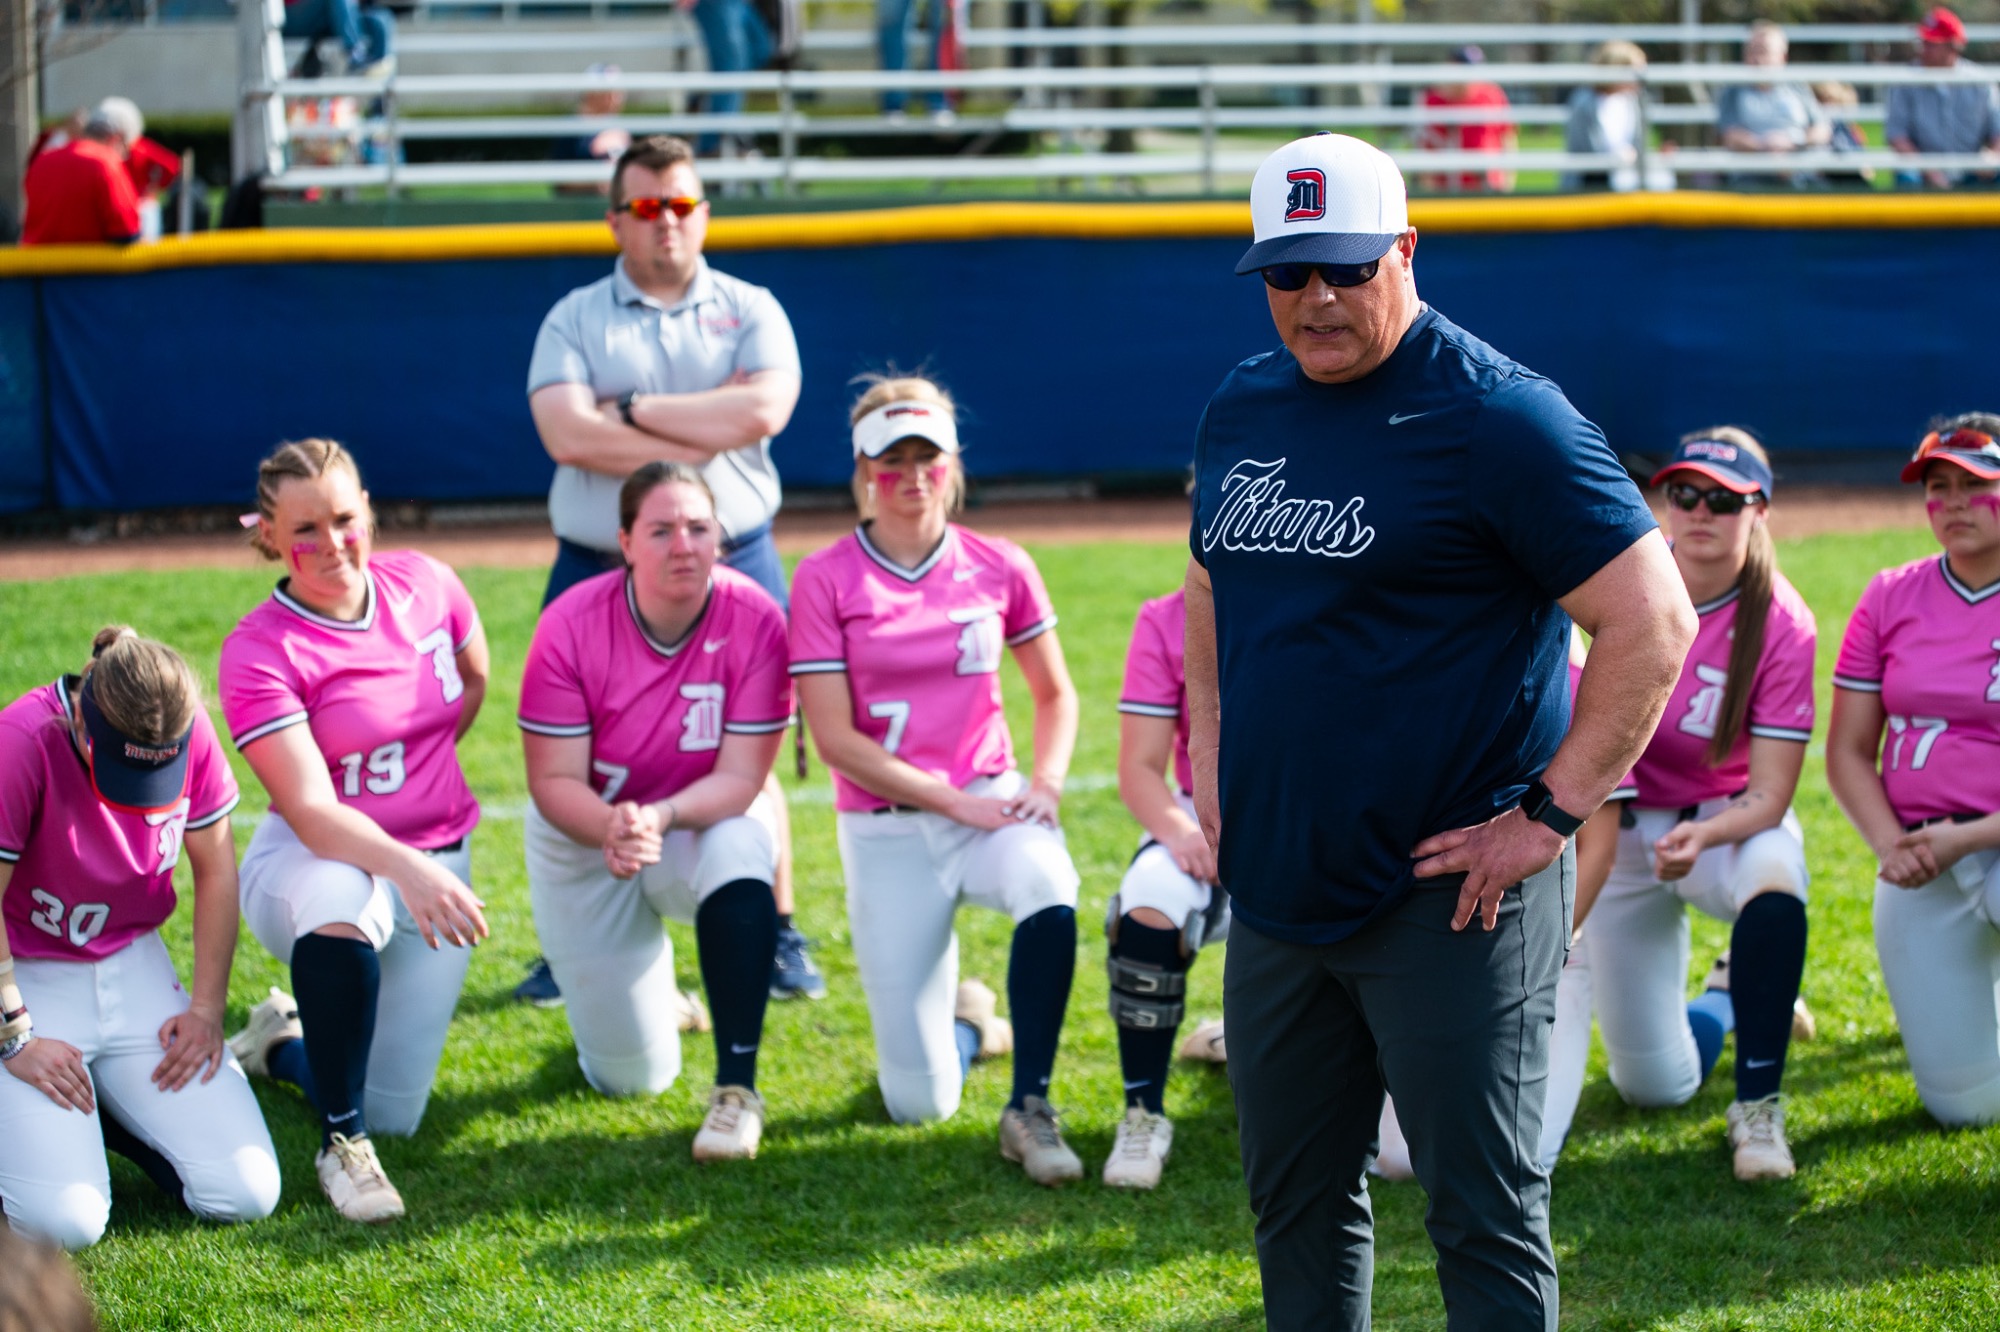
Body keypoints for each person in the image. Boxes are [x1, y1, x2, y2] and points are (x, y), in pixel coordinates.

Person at [1192, 133, 1694, 1329]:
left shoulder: (1502, 418)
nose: (1316, 298)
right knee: (1295, 1204)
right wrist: (1212, 760)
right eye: (1286, 272)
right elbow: (1211, 590)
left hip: (1449, 896)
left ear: (1404, 250)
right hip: (1276, 886)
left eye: (1347, 267)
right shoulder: (1240, 401)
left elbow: (1651, 623)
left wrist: (1547, 817)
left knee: (1480, 1212)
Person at [525, 133, 819, 1008]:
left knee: (749, 750)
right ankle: (574, 936)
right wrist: (708, 423)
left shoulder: (751, 305)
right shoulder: (574, 316)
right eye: (648, 206)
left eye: (683, 204)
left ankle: (776, 926)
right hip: (592, 560)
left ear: (704, 212)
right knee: (581, 750)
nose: (667, 222)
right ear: (616, 218)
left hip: (740, 554)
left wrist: (637, 410)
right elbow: (567, 435)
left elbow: (766, 407)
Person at [791, 377, 1086, 1185]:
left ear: (952, 465)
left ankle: (1030, 1105)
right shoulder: (823, 577)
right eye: (892, 459)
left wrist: (1047, 784)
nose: (911, 474)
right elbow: (834, 737)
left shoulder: (1000, 563)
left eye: (927, 456)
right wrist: (952, 799)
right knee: (916, 1101)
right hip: (888, 826)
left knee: (1051, 886)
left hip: (990, 795)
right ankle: (969, 1022)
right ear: (862, 470)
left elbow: (1056, 693)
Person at [220, 438, 491, 1225]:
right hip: (313, 864)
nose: (331, 543)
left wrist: (420, 791)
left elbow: (472, 683)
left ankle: (280, 1043)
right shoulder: (260, 647)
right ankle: (342, 1146)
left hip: (431, 861)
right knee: (345, 892)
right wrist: (413, 863)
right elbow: (310, 810)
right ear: (268, 534)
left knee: (396, 1107)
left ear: (368, 509)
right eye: (304, 529)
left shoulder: (428, 583)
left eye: (344, 518)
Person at [1563, 430, 1819, 1181]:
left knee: (1776, 884)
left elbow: (1772, 795)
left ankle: (1759, 1108)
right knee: (1654, 1086)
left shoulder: (1782, 620)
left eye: (1724, 498)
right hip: (1621, 825)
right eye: (1685, 493)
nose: (1700, 511)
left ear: (1760, 509)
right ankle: (1726, 996)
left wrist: (1708, 840)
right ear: (1663, 501)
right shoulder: (1621, 584)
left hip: (1728, 820)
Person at [520, 462, 792, 1160]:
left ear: (721, 540)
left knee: (742, 844)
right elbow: (552, 779)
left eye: (699, 528)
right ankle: (647, 996)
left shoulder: (757, 616)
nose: (683, 545)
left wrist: (659, 817)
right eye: (662, 529)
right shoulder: (571, 622)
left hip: (691, 820)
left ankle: (737, 1089)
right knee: (631, 1080)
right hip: (584, 834)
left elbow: (742, 777)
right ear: (625, 542)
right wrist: (610, 824)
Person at [0, 629, 280, 1249]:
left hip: (132, 961)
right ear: (81, 717)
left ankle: (103, 1112)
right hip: (26, 973)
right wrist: (13, 1036)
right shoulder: (21, 741)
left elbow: (216, 869)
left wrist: (206, 1008)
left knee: (245, 1192)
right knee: (63, 1225)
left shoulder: (181, 725)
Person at [1827, 416, 2000, 1127]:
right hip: (1921, 855)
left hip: (1980, 843)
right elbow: (1845, 752)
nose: (1954, 502)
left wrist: (1968, 838)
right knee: (1966, 1110)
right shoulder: (1890, 594)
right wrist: (1890, 846)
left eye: (1976, 485)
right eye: (1939, 486)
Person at [1101, 575, 1230, 1189]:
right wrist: (1182, 831)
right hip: (1198, 809)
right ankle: (1142, 1109)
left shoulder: (1324, 581)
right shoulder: (1167, 616)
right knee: (1149, 900)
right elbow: (1140, 766)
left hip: (1305, 808)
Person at [1885, 7, 2000, 189]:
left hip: (1973, 172)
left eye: (1932, 43)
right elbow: (1897, 136)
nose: (1924, 48)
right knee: (1908, 177)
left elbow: (1997, 131)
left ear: (1953, 45)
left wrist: (1992, 157)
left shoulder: (1981, 82)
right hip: (1924, 171)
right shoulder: (1906, 81)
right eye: (1923, 41)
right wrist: (1929, 170)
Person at [1716, 22, 1830, 188]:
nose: (1757, 59)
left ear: (1782, 57)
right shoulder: (1733, 91)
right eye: (1751, 51)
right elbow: (1730, 137)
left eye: (1763, 51)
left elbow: (1822, 130)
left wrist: (1792, 143)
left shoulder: (1797, 87)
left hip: (1799, 171)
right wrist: (1766, 148)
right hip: (1752, 175)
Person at [20, 98, 144, 247]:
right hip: (90, 268)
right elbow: (127, 232)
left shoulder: (43, 160)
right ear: (116, 139)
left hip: (35, 266)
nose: (125, 157)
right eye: (127, 150)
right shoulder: (106, 162)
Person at [1563, 40, 1672, 193]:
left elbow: (1639, 146)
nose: (1639, 80)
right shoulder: (1584, 102)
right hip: (1594, 180)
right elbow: (1588, 150)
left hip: (1628, 175)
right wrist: (1620, 158)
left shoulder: (1635, 102)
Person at [1416, 46, 1516, 194]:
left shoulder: (1492, 95)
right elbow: (1425, 148)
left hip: (1487, 187)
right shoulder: (1433, 101)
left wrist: (1507, 181)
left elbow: (1507, 138)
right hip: (1447, 190)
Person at [552, 64, 633, 197]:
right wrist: (596, 182)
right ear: (590, 93)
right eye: (608, 92)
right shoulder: (571, 128)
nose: (615, 99)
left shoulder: (621, 129)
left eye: (618, 92)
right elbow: (560, 180)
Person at [282, 0, 393, 80]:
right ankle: (354, 54)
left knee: (379, 19)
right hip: (290, 16)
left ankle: (377, 70)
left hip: (334, 14)